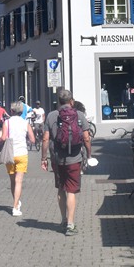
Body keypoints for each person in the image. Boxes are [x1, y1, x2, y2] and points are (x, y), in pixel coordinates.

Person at [41, 88, 92, 236]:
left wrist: (44, 158)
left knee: (61, 189)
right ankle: (70, 224)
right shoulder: (79, 115)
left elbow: (45, 139)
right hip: (75, 158)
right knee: (71, 191)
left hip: (57, 159)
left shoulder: (51, 116)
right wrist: (89, 154)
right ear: (71, 101)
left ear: (58, 102)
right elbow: (86, 138)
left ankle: (63, 220)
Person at [2, 100, 33, 217]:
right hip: (22, 153)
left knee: (12, 181)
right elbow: (33, 139)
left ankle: (16, 202)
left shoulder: (7, 122)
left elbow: (3, 138)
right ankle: (15, 207)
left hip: (10, 154)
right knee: (19, 181)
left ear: (11, 111)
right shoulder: (25, 123)